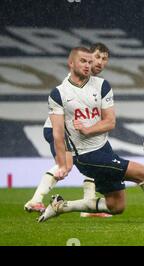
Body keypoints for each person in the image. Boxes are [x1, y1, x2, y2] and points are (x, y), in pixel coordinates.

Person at [37, 47, 144, 223]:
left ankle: (61, 206)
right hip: (85, 156)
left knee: (116, 206)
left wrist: (88, 129)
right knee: (142, 173)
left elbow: (110, 122)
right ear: (70, 63)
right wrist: (62, 163)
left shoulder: (102, 85)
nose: (88, 65)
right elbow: (57, 133)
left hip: (104, 149)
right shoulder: (58, 94)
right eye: (83, 61)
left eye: (89, 61)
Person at [24, 43, 113, 218]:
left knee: (96, 161)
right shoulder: (73, 83)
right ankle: (36, 199)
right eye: (96, 57)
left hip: (76, 133)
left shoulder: (95, 85)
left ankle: (89, 206)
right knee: (66, 164)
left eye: (104, 59)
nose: (99, 63)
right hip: (61, 130)